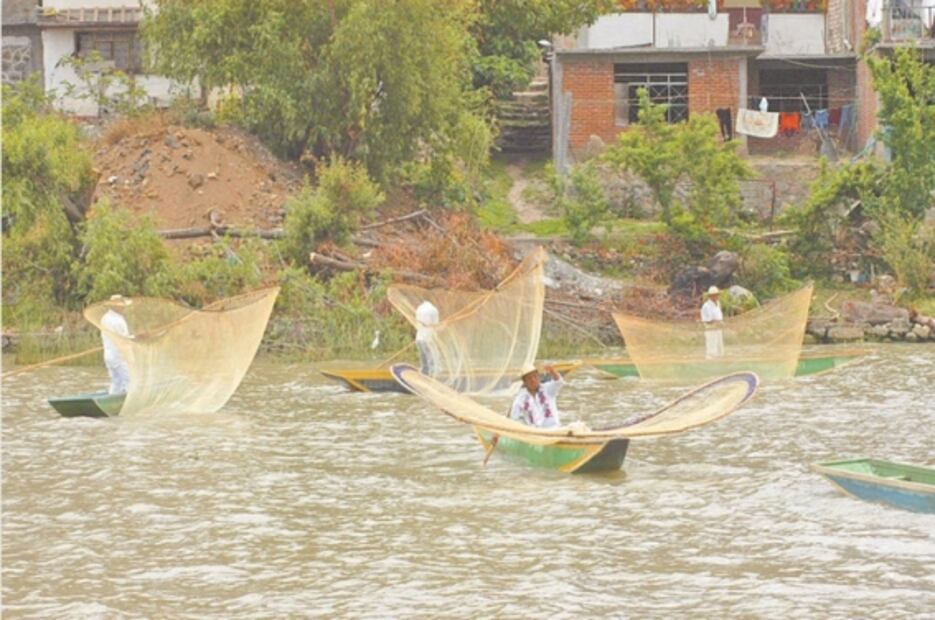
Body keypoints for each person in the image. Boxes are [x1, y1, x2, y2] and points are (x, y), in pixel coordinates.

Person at [510, 363, 563, 429]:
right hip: (535, 434)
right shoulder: (520, 399)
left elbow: (559, 382)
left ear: (538, 377)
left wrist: (552, 371)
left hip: (554, 429)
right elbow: (513, 419)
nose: (533, 380)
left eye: (535, 376)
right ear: (524, 382)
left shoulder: (548, 389)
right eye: (529, 378)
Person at [101, 295, 132, 394]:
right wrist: (134, 338)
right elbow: (123, 339)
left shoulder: (105, 318)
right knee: (129, 380)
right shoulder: (118, 320)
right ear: (116, 306)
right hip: (118, 356)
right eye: (121, 305)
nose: (123, 307)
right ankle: (129, 401)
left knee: (116, 381)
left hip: (109, 355)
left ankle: (113, 397)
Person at [415, 299, 440, 376]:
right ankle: (432, 376)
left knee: (424, 360)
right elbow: (435, 324)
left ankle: (424, 374)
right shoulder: (433, 309)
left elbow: (418, 322)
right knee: (431, 358)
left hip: (419, 338)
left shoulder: (419, 309)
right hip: (428, 338)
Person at [701, 286, 725, 359]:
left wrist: (721, 322)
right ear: (711, 296)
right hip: (710, 328)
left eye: (717, 295)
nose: (716, 296)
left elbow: (719, 315)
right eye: (715, 295)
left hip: (718, 328)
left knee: (719, 345)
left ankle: (719, 359)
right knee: (711, 344)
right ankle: (710, 359)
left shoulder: (718, 303)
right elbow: (706, 319)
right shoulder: (706, 306)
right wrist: (716, 322)